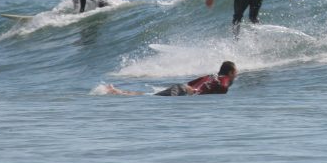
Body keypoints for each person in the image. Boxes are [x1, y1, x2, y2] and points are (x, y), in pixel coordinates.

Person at [102, 61, 238, 96]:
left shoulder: (210, 76)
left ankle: (116, 91)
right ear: (230, 72)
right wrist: (224, 90)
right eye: (235, 73)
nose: (236, 75)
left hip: (181, 88)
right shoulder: (224, 79)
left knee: (149, 95)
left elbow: (190, 83)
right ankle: (115, 91)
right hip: (182, 91)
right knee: (149, 96)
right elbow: (223, 85)